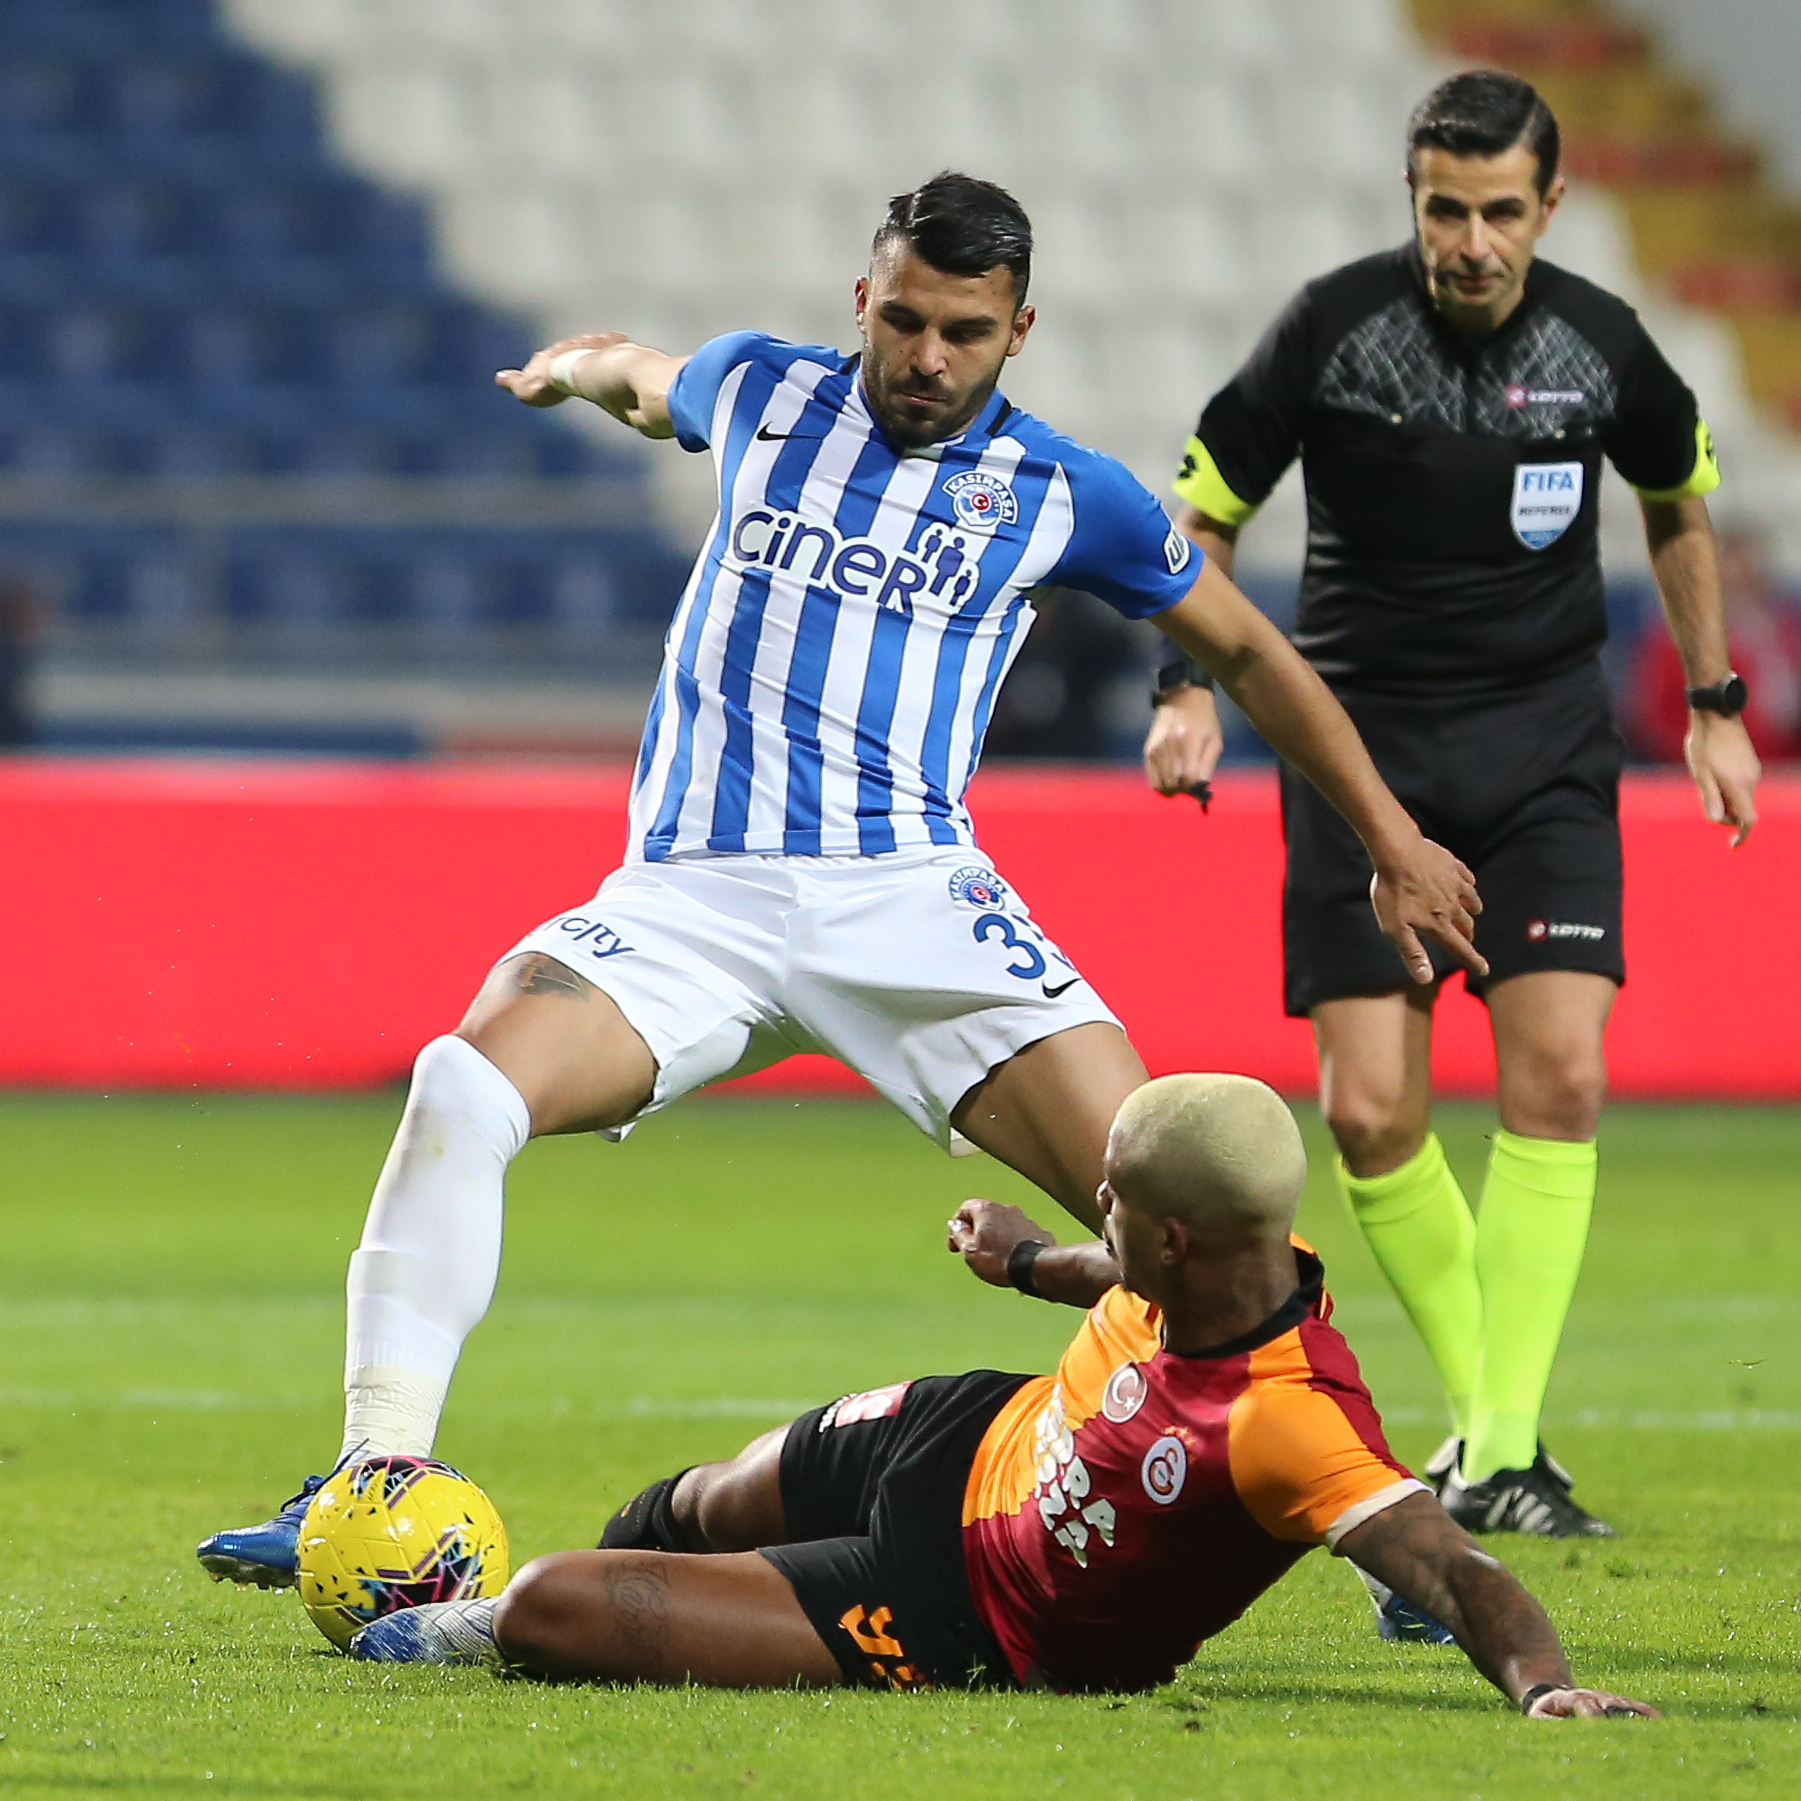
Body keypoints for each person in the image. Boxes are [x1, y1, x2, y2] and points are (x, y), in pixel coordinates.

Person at [196, 172, 1482, 1589]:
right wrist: (575, 369)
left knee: (1193, 1205)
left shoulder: (1067, 494)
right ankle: (372, 1473)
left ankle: (1395, 1550)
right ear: (864, 299)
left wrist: (1392, 842)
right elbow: (646, 381)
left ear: (1019, 330)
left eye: (966, 333)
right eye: (907, 321)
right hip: (690, 899)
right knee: (461, 1083)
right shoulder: (764, 391)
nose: (929, 358)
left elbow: (1244, 648)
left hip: (912, 902)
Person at [1141, 73, 1763, 1538]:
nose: (1470, 242)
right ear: (1411, 201)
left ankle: (1497, 1449)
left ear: (1549, 206)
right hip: (1357, 762)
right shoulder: (1331, 331)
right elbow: (1204, 511)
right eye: (1444, 210)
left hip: (1543, 757)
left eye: (1498, 212)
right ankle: (1502, 1441)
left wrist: (1714, 700)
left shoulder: (1602, 346)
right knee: (1368, 1112)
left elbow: (1676, 502)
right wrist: (1185, 685)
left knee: (1561, 1080)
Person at [347, 1075, 1656, 1722]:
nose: (1100, 1204)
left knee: (558, 1605)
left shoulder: (1285, 1420)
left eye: (1113, 1195)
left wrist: (1542, 1686)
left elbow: (1456, 1569)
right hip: (963, 1430)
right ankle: (616, 1591)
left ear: (1179, 1234)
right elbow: (1119, 1275)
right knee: (693, 1504)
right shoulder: (1239, 1258)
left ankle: (492, 1622)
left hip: (960, 1612)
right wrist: (1030, 1262)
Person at [1627, 525, 1801, 763]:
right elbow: (1655, 720)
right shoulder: (1676, 642)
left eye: (1748, 577)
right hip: (1703, 768)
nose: (1740, 588)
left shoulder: (1788, 633)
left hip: (1785, 769)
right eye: (1730, 579)